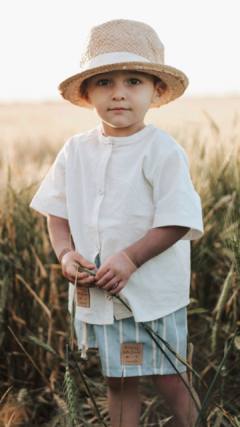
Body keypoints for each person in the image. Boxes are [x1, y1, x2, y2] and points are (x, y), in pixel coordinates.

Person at [30, 19, 204, 427]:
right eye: (105, 81)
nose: (119, 92)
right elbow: (58, 212)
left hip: (152, 295)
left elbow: (178, 219)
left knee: (171, 377)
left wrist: (130, 257)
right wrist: (65, 252)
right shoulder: (75, 150)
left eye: (134, 81)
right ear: (87, 92)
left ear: (157, 91)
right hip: (101, 296)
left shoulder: (162, 150)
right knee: (118, 379)